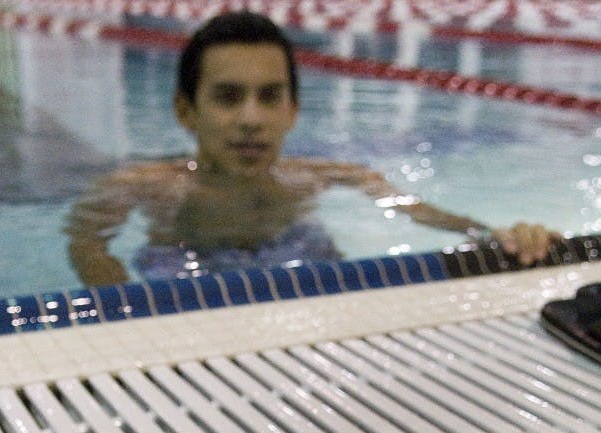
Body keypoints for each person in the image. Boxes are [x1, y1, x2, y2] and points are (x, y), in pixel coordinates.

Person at [66, 11, 559, 286]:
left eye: (270, 96)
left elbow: (419, 212)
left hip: (301, 260)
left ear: (293, 110)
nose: (251, 118)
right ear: (186, 112)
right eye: (227, 96)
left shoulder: (328, 174)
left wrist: (498, 236)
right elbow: (87, 244)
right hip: (188, 271)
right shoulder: (142, 188)